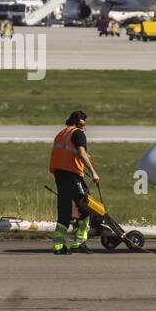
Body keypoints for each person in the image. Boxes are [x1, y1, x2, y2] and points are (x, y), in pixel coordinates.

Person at [48, 109, 100, 255]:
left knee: (64, 211)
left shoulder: (62, 133)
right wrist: (94, 173)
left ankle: (58, 247)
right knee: (88, 207)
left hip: (59, 174)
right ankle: (79, 243)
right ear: (80, 122)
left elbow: (70, 152)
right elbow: (82, 153)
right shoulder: (78, 133)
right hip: (72, 175)